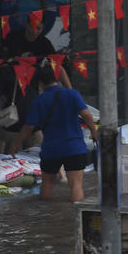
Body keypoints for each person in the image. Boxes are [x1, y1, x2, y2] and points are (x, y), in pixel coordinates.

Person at [18, 65, 97, 202]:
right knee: (76, 185)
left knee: (47, 182)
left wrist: (16, 144)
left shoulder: (38, 101)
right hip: (74, 147)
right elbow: (86, 115)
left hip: (51, 150)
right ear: (56, 79)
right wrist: (94, 131)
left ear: (40, 83)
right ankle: (76, 217)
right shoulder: (72, 94)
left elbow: (28, 127)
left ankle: (44, 215)